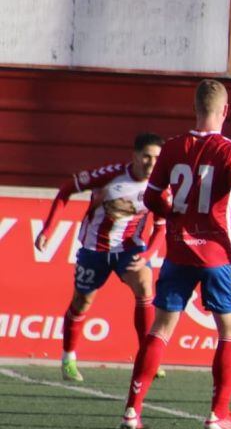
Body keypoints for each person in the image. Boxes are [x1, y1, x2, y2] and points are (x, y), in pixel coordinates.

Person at [120, 79, 231, 429]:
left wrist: (174, 213)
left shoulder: (173, 147)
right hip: (216, 254)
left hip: (178, 250)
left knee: (160, 330)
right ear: (225, 110)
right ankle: (218, 414)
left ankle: (132, 410)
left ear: (194, 108)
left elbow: (151, 199)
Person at [35, 133, 166, 382]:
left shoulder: (160, 186)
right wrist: (48, 229)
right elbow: (66, 190)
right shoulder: (110, 175)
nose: (151, 163)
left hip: (129, 249)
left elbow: (161, 226)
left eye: (157, 158)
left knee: (146, 286)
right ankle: (68, 358)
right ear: (135, 156)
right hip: (95, 249)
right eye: (146, 156)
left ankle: (147, 356)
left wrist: (148, 253)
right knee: (82, 302)